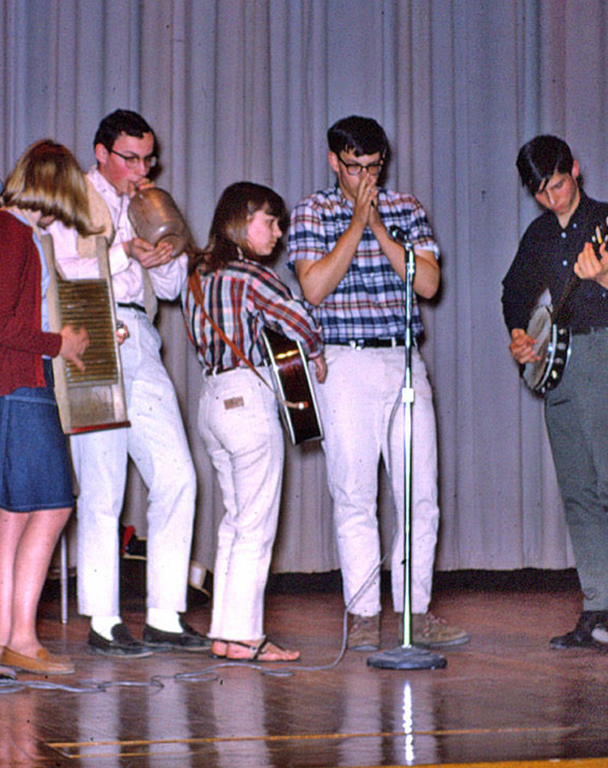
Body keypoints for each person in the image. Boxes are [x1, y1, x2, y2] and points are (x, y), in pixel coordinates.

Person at [286, 116, 469, 651]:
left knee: (420, 494)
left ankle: (416, 610)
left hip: (402, 361)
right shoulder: (311, 211)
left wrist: (379, 227)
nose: (364, 176)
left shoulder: (406, 208)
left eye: (372, 166)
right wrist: (354, 225)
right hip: (344, 364)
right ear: (333, 162)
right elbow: (314, 288)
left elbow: (429, 283)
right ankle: (364, 613)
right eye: (353, 167)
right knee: (354, 494)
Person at [47, 109, 205, 657]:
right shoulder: (75, 194)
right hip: (91, 326)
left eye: (147, 158)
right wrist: (124, 250)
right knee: (104, 482)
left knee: (178, 475)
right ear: (101, 154)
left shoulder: (145, 203)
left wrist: (164, 252)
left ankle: (164, 614)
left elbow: (171, 287)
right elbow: (68, 265)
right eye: (130, 158)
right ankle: (105, 619)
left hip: (139, 329)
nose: (141, 169)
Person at [502, 135, 608, 650]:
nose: (554, 199)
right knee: (577, 490)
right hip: (560, 363)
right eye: (542, 193)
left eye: (559, 184)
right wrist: (519, 336)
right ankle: (596, 605)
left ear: (575, 169)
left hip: (607, 356)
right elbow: (513, 292)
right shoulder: (539, 236)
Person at [183, 182, 326, 662]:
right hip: (247, 398)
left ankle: (225, 633)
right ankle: (245, 635)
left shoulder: (198, 277)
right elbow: (301, 321)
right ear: (243, 221)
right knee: (256, 525)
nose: (279, 233)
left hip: (212, 401)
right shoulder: (249, 276)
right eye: (271, 221)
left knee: (234, 523)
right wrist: (316, 350)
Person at [0, 139, 92, 675]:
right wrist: (58, 344)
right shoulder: (8, 230)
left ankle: (5, 638)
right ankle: (20, 635)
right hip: (22, 385)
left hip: (19, 383)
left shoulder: (19, 231)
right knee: (52, 504)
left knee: (18, 512)